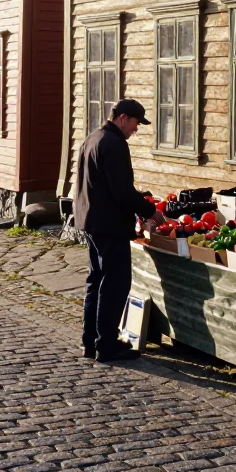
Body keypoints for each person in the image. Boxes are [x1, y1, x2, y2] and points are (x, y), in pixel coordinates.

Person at [74, 98, 164, 363]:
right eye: (136, 123)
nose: (136, 129)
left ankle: (90, 342)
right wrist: (150, 211)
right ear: (123, 118)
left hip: (91, 221)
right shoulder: (113, 144)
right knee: (114, 284)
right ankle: (107, 344)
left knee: (96, 281)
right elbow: (122, 192)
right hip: (109, 224)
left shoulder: (93, 138)